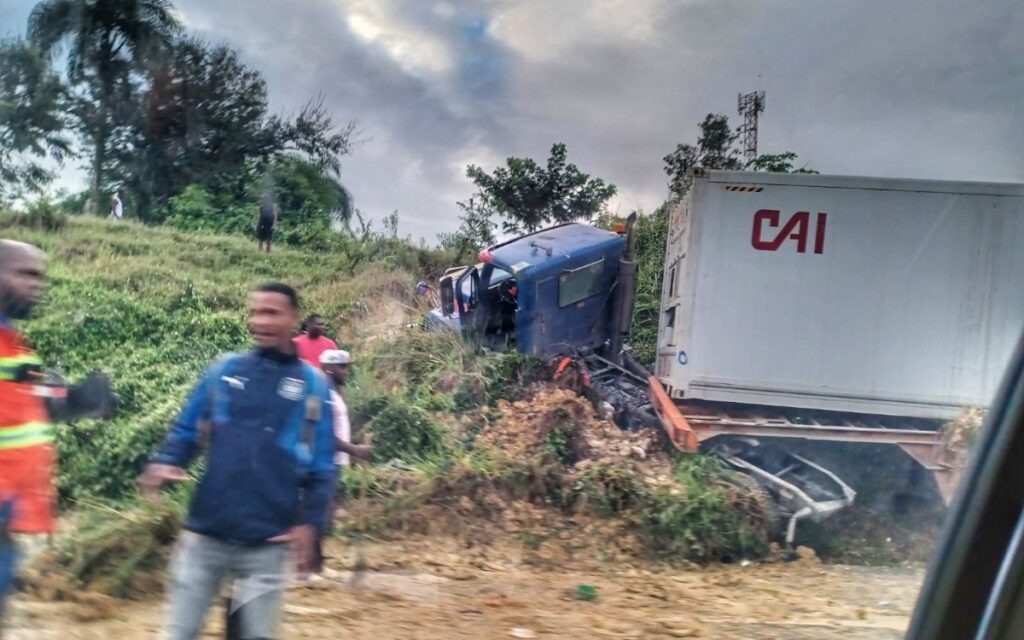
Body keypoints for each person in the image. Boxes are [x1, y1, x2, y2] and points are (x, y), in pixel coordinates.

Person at [139, 282, 336, 640]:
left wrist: (312, 525)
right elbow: (187, 429)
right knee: (178, 634)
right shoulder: (223, 372)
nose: (260, 321)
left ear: (293, 318)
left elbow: (322, 466)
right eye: (256, 312)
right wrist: (167, 460)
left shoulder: (312, 385)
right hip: (206, 536)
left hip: (267, 545)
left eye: (271, 312)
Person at [0, 240, 51, 624]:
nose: (37, 284)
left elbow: (27, 401)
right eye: (26, 274)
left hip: (11, 510)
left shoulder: (16, 342)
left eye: (40, 275)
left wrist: (75, 401)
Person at [313, 350, 372, 575]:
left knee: (325, 513)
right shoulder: (321, 392)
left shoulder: (333, 392)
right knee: (320, 513)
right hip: (324, 461)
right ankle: (311, 564)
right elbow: (323, 432)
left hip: (334, 461)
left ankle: (316, 562)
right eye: (342, 367)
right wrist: (355, 450)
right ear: (329, 367)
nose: (346, 371)